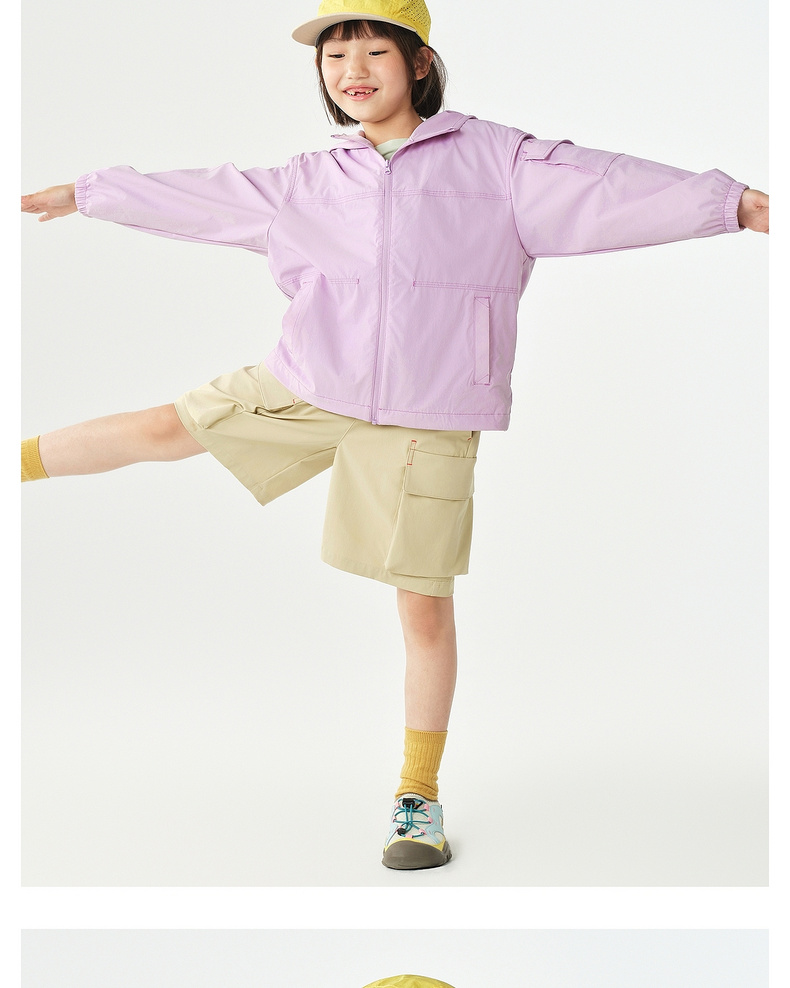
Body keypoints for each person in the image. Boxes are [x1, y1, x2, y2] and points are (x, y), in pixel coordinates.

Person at [20, 0, 769, 872]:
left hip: (429, 406)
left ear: (418, 63)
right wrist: (92, 194)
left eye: (374, 50)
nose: (353, 71)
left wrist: (734, 203)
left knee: (422, 606)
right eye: (335, 56)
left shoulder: (499, 163)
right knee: (164, 427)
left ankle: (417, 796)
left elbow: (606, 185)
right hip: (310, 380)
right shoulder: (308, 180)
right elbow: (205, 194)